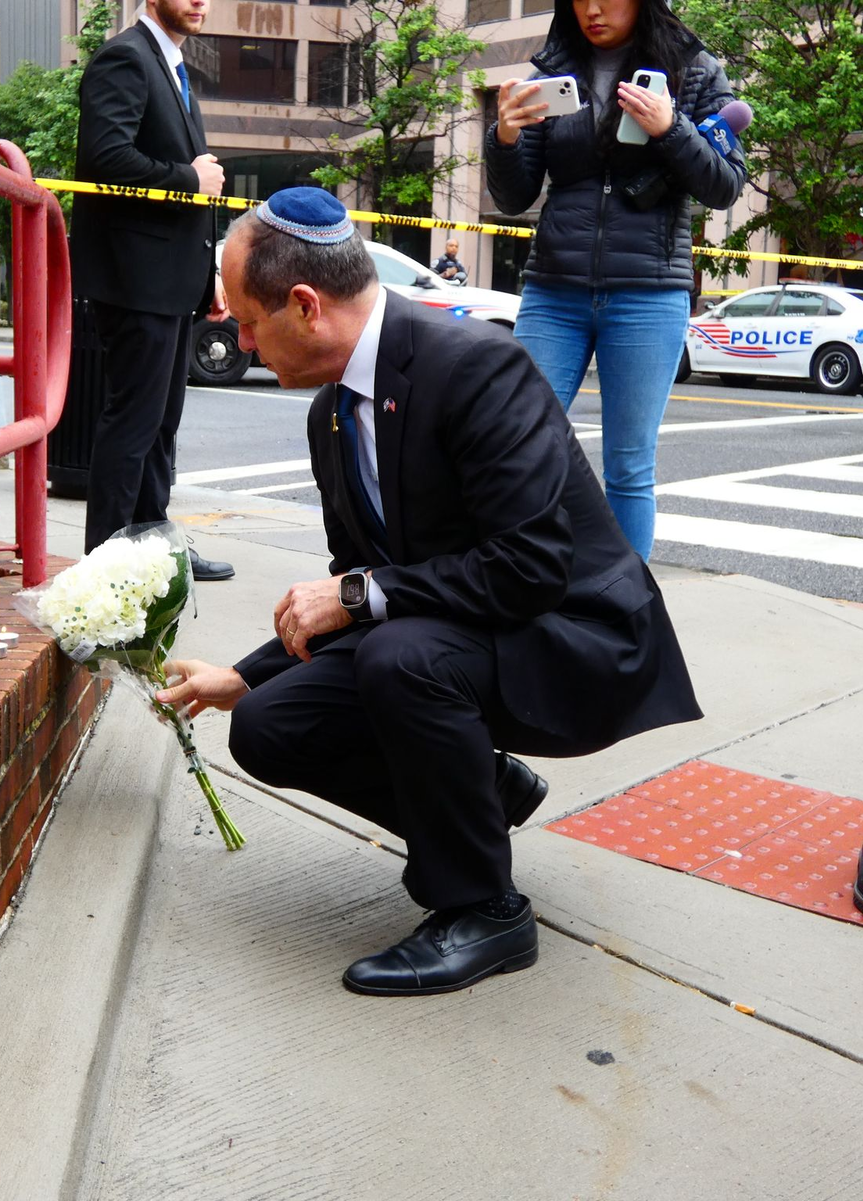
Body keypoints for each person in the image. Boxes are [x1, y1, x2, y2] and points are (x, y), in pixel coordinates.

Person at [156, 187, 702, 998]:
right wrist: (246, 678)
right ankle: (481, 795)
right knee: (270, 728)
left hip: (574, 639)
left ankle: (484, 907)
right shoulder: (331, 417)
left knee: (401, 657)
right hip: (463, 635)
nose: (238, 340)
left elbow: (531, 566)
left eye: (245, 321)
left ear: (304, 306)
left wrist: (357, 594)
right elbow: (364, 588)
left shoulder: (477, 367)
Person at [485, 0, 745, 561]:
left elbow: (724, 187)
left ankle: (627, 614)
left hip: (648, 292)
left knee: (629, 464)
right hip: (554, 287)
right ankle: (529, 585)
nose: (592, 10)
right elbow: (513, 198)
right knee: (522, 444)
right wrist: (503, 137)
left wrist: (670, 128)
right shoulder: (551, 72)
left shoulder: (696, 70)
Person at [69, 0, 235, 580]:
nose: (200, 1)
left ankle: (155, 551)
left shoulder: (171, 66)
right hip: (134, 280)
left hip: (169, 279)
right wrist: (190, 179)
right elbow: (104, 157)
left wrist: (208, 271)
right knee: (134, 424)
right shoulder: (125, 57)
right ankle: (107, 566)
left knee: (160, 425)